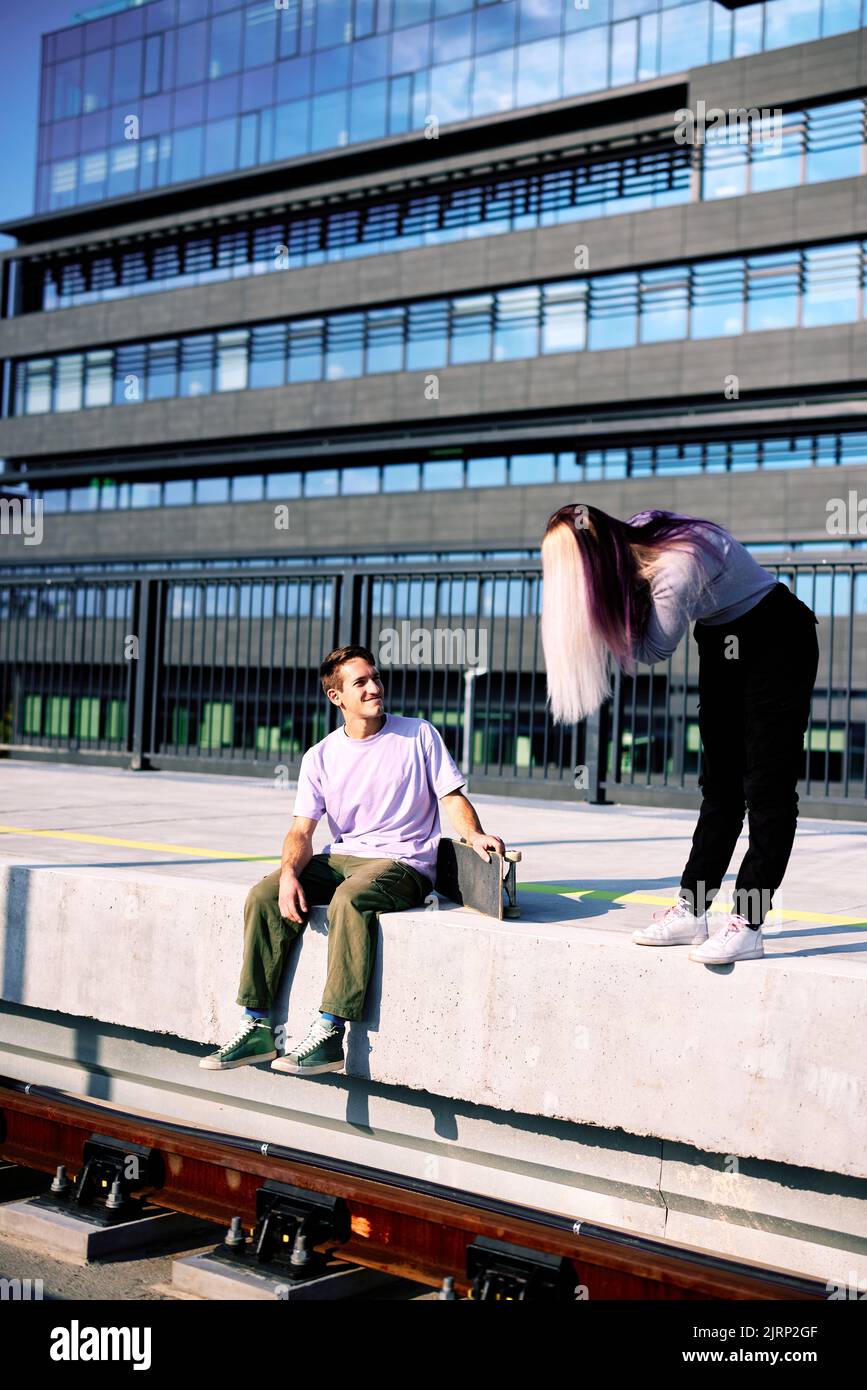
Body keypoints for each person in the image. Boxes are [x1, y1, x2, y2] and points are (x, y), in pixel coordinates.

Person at [201, 644, 504, 1075]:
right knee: (266, 894)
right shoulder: (320, 756)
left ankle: (329, 1031)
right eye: (360, 682)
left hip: (403, 863)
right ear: (337, 697)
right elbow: (301, 831)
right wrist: (288, 874)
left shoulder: (418, 735)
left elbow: (451, 796)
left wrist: (472, 834)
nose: (374, 687)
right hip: (343, 855)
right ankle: (257, 1026)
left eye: (375, 678)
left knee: (350, 899)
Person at [540, 505, 819, 964]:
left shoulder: (672, 567)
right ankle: (693, 910)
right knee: (721, 790)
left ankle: (748, 923)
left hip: (776, 634)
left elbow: (653, 649)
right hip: (721, 637)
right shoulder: (642, 537)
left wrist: (614, 606)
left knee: (766, 790)